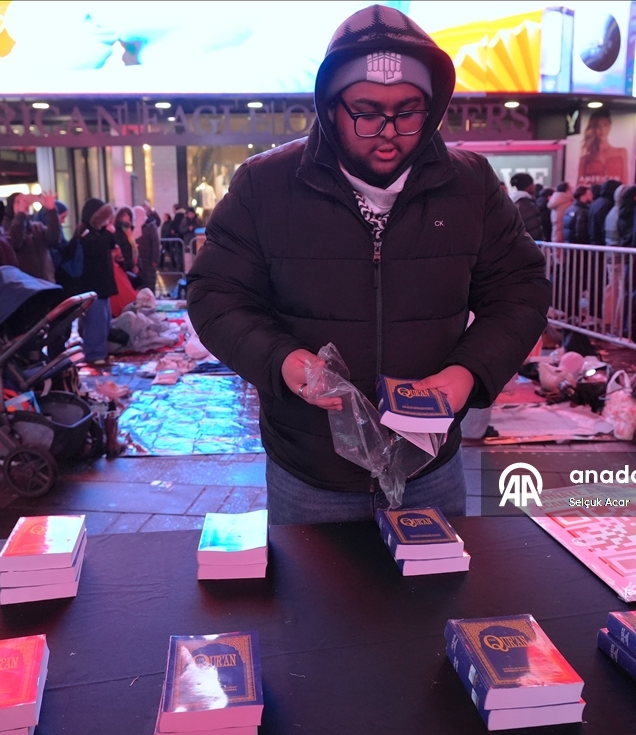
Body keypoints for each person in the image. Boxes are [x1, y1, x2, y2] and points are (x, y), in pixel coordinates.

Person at [187, 4, 550, 524]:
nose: (388, 132)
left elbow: (520, 291)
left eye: (408, 111)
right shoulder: (265, 185)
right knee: (311, 583)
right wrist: (285, 362)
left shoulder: (470, 185)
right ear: (331, 106)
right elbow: (215, 294)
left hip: (430, 465)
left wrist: (466, 373)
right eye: (366, 111)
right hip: (310, 470)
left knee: (436, 580)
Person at [71, 198, 118, 364]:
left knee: (104, 321)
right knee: (95, 321)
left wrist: (108, 231)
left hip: (102, 285)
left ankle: (101, 351)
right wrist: (107, 233)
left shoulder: (99, 231)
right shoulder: (85, 233)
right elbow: (94, 249)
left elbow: (109, 245)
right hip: (92, 285)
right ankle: (94, 353)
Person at [7, 192, 60, 283]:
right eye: (18, 202)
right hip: (25, 285)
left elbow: (54, 239)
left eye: (25, 201)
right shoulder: (6, 229)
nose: (24, 204)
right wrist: (21, 214)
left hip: (46, 283)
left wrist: (51, 210)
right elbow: (16, 242)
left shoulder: (37, 227)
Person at [578, 109, 627, 185]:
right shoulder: (585, 159)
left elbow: (625, 181)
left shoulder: (621, 152)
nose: (602, 130)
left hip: (614, 192)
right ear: (593, 129)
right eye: (598, 126)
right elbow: (579, 185)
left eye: (605, 125)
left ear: (610, 126)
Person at [134, 204, 161, 297]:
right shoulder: (133, 226)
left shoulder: (150, 226)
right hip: (138, 260)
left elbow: (155, 243)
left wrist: (155, 259)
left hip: (149, 259)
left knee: (149, 283)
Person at [509, 172, 545, 240]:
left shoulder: (515, 201)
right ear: (528, 186)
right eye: (532, 184)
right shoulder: (525, 204)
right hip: (529, 243)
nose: (534, 186)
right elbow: (532, 227)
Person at [587, 179, 620, 245]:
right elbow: (604, 226)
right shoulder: (608, 205)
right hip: (601, 243)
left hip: (593, 240)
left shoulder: (596, 202)